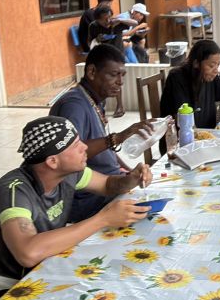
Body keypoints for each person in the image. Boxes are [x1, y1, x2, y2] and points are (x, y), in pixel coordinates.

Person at [0, 117, 150, 281]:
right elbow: (28, 253)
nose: (84, 147)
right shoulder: (15, 190)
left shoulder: (68, 173)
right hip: (19, 281)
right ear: (52, 161)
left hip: (51, 259)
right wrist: (103, 219)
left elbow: (107, 184)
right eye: (76, 145)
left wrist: (132, 179)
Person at [50, 44, 160, 219]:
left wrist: (128, 170)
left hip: (112, 183)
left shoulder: (93, 99)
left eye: (122, 75)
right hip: (91, 197)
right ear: (92, 72)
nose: (120, 82)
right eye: (113, 74)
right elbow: (68, 155)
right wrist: (117, 138)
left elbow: (105, 150)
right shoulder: (74, 105)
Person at [159, 39, 220, 128]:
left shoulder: (210, 76)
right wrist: (201, 135)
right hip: (182, 135)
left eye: (218, 65)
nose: (216, 70)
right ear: (196, 63)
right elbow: (182, 120)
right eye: (211, 65)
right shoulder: (177, 77)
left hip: (207, 132)